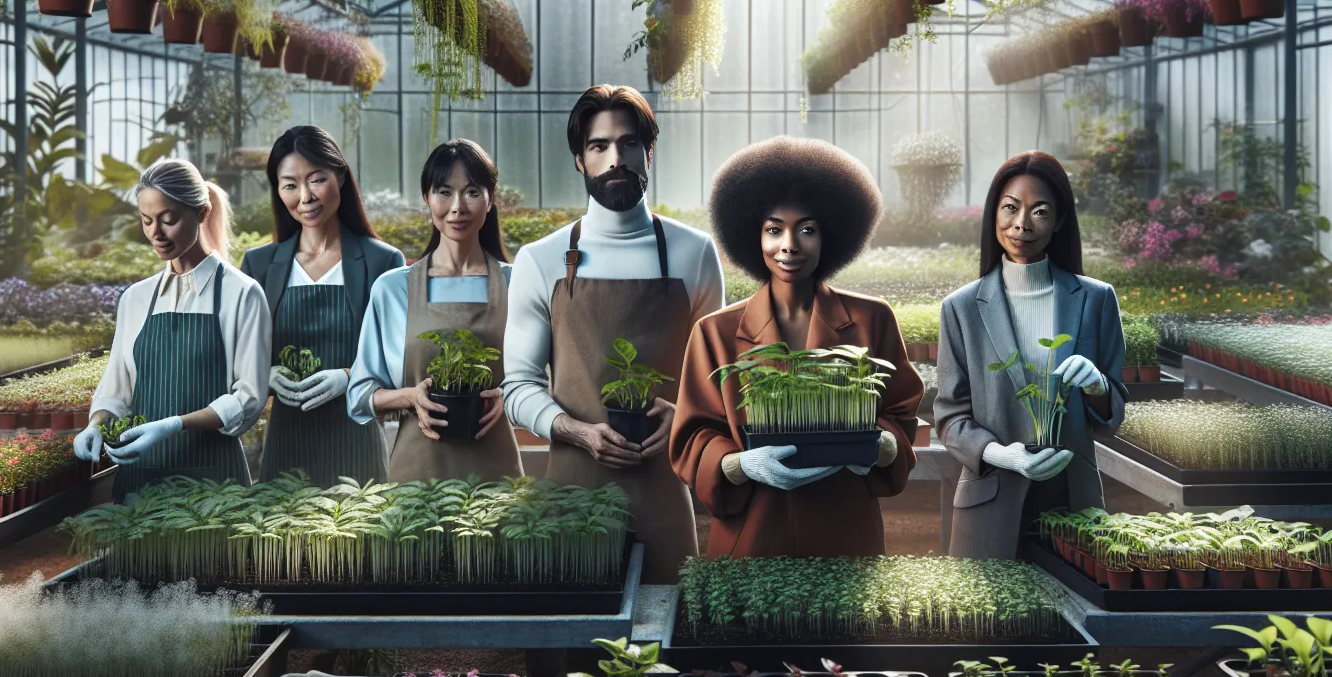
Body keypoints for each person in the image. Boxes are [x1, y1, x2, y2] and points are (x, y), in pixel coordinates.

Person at [501, 85, 723, 584]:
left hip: (664, 489)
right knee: (568, 647)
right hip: (570, 494)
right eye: (599, 146)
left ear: (649, 151)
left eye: (627, 144)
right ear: (580, 160)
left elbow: (717, 380)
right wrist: (577, 431)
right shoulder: (542, 258)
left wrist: (687, 413)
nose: (615, 158)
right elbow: (517, 386)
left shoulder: (695, 253)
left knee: (665, 641)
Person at [672, 137, 922, 559]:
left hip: (845, 530)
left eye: (806, 229)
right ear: (753, 236)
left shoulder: (871, 319)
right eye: (774, 230)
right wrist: (738, 465)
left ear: (831, 236)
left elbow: (900, 414)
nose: (789, 245)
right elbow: (692, 437)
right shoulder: (714, 332)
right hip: (752, 535)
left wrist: (884, 446)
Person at [933, 151, 1128, 560]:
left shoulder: (1095, 299)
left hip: (1073, 501)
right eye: (1010, 208)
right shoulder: (962, 307)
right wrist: (999, 454)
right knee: (986, 622)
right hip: (991, 500)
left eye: (1039, 211)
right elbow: (951, 417)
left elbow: (1112, 413)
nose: (1021, 223)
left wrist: (1097, 386)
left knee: (1072, 620)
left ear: (1058, 221)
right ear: (994, 214)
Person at [77, 158, 270, 501]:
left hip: (215, 485)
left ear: (201, 213)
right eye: (147, 220)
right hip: (141, 480)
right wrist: (96, 425)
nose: (156, 233)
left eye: (168, 219)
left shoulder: (243, 294)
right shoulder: (136, 298)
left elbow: (248, 398)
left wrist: (175, 424)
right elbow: (117, 390)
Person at [349, 140, 522, 482]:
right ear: (427, 199)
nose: (457, 207)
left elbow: (541, 380)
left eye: (472, 191)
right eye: (444, 191)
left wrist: (510, 396)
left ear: (491, 200)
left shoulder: (515, 284)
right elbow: (359, 394)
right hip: (416, 472)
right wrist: (410, 397)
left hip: (496, 476)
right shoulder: (393, 288)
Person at [240, 126, 404, 486]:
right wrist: (262, 376)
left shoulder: (383, 262)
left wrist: (348, 378)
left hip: (356, 440)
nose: (305, 196)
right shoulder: (259, 265)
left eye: (316, 180)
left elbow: (400, 359)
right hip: (286, 442)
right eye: (290, 185)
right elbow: (237, 354)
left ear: (340, 176)